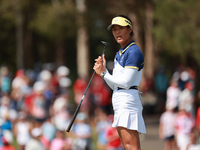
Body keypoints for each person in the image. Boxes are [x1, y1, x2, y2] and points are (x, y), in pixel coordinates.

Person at [93, 14, 146, 150]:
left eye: (121, 28)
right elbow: (115, 85)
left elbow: (126, 83)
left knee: (131, 147)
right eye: (114, 29)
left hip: (128, 100)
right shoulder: (120, 53)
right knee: (126, 147)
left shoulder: (133, 52)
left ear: (129, 29)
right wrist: (104, 72)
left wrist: (104, 73)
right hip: (120, 99)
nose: (117, 32)